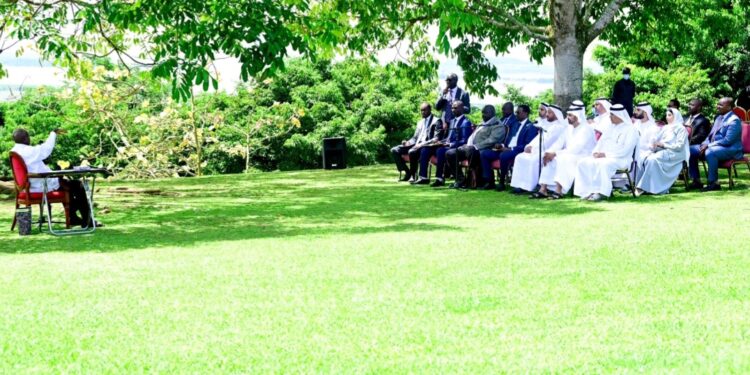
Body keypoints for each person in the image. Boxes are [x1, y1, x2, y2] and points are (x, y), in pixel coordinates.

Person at [11, 128, 101, 227]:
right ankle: (88, 220)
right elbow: (46, 149)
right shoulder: (27, 151)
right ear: (26, 138)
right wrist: (53, 134)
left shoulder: (14, 151)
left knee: (67, 186)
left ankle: (73, 218)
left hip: (28, 187)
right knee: (77, 185)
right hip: (40, 185)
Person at [573, 104, 640, 201]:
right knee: (582, 162)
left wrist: (605, 155)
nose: (610, 117)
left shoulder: (631, 130)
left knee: (603, 164)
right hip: (605, 157)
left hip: (621, 159)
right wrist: (596, 152)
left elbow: (625, 151)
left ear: (619, 115)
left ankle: (602, 193)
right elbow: (600, 143)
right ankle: (587, 192)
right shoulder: (610, 128)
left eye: (612, 114)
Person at [534, 105, 597, 199]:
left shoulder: (586, 129)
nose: (567, 118)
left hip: (583, 155)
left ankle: (558, 191)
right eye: (567, 115)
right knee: (549, 158)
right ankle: (543, 189)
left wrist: (555, 153)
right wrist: (550, 152)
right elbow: (559, 142)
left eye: (570, 115)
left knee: (563, 158)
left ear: (577, 116)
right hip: (569, 154)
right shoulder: (569, 128)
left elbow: (576, 149)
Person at [687, 97, 744, 191]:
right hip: (714, 146)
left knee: (710, 152)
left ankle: (714, 183)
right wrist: (704, 143)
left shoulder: (734, 120)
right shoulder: (718, 118)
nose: (717, 106)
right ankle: (696, 180)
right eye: (718, 104)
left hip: (731, 149)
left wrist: (708, 146)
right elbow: (710, 136)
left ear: (729, 107)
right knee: (690, 149)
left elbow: (728, 140)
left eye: (720, 105)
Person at [509, 104, 567, 194]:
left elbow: (548, 142)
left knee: (533, 160)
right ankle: (520, 185)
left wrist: (533, 149)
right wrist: (528, 146)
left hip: (545, 151)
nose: (547, 114)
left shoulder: (559, 127)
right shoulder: (547, 125)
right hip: (536, 150)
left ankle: (531, 187)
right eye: (547, 112)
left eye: (550, 113)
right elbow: (537, 138)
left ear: (556, 114)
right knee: (520, 157)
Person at [446, 105, 507, 188]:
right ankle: (460, 179)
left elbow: (492, 140)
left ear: (492, 113)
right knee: (450, 153)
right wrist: (468, 144)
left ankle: (473, 181)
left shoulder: (497, 124)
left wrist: (475, 146)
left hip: (483, 149)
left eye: (485, 113)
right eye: (482, 113)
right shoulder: (482, 123)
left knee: (470, 151)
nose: (483, 115)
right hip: (470, 147)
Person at [635, 108, 690, 196]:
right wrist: (654, 144)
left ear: (675, 116)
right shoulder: (665, 128)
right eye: (666, 115)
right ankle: (650, 187)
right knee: (646, 158)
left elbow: (679, 146)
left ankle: (642, 187)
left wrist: (663, 145)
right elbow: (657, 140)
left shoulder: (681, 129)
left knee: (652, 159)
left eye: (669, 115)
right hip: (664, 151)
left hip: (676, 153)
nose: (667, 117)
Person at [479, 103, 533, 191]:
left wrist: (510, 149)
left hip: (517, 150)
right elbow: (508, 139)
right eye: (516, 112)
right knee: (485, 154)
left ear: (525, 113)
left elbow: (527, 144)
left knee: (504, 155)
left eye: (518, 112)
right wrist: (501, 145)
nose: (516, 114)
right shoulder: (515, 124)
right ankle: (489, 181)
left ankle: (501, 182)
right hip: (505, 149)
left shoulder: (530, 126)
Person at [425, 101, 472, 187]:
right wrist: (441, 142)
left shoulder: (466, 122)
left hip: (459, 148)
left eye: (455, 108)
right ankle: (427, 176)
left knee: (440, 151)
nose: (453, 110)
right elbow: (449, 137)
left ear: (461, 109)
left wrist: (449, 145)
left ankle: (440, 178)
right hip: (447, 146)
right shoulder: (452, 121)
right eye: (452, 108)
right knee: (429, 149)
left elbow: (464, 140)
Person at [390, 103, 441, 181]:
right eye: (421, 110)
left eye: (424, 110)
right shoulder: (420, 122)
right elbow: (415, 138)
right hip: (416, 144)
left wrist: (421, 144)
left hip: (426, 145)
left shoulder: (436, 121)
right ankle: (407, 172)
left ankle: (413, 176)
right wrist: (408, 142)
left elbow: (436, 138)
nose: (422, 112)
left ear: (430, 110)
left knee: (412, 151)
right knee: (394, 150)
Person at [633, 102, 661, 169]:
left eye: (638, 110)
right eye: (636, 110)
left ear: (645, 112)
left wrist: (638, 145)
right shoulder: (636, 124)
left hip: (644, 153)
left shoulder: (653, 127)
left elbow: (652, 147)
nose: (635, 112)